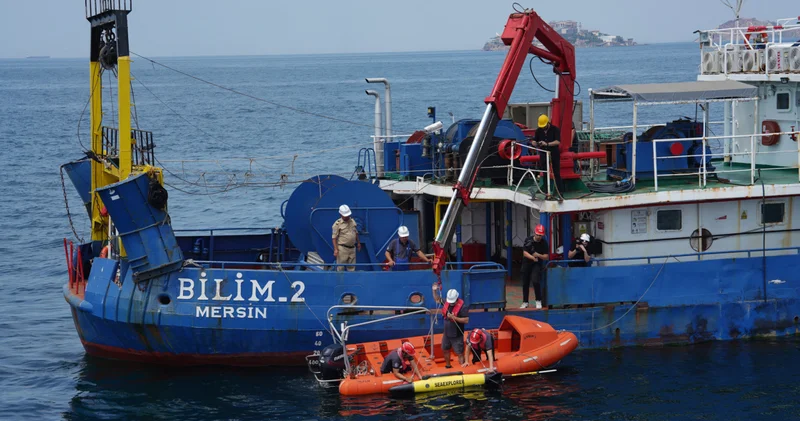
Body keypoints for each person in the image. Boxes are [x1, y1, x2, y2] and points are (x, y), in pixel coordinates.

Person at [533, 114, 565, 196]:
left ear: (548, 123)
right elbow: (533, 141)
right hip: (543, 153)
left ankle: (560, 192)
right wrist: (535, 143)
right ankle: (547, 192)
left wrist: (547, 144)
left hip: (554, 153)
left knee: (556, 172)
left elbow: (558, 141)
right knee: (545, 172)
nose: (543, 128)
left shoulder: (555, 129)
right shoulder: (538, 131)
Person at [520, 223, 549, 309]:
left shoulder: (544, 243)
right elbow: (525, 253)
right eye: (537, 235)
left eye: (541, 235)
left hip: (536, 264)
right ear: (534, 233)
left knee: (535, 281)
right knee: (525, 283)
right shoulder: (528, 240)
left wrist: (538, 255)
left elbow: (546, 256)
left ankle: (538, 300)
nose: (539, 237)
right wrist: (532, 257)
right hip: (527, 263)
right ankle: (525, 302)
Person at [439, 289, 469, 368]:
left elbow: (466, 320)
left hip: (457, 334)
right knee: (445, 349)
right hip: (446, 333)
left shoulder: (463, 307)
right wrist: (434, 291)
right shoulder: (447, 302)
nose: (451, 303)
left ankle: (463, 367)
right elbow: (437, 299)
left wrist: (454, 318)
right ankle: (448, 365)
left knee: (459, 352)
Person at [331, 204, 360, 271]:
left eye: (348, 215)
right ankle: (340, 281)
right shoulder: (337, 224)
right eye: (345, 216)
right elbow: (334, 237)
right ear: (341, 214)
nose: (347, 217)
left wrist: (358, 243)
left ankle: (351, 280)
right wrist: (335, 249)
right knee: (340, 267)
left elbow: (356, 232)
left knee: (352, 268)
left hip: (352, 248)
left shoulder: (352, 221)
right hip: (342, 249)